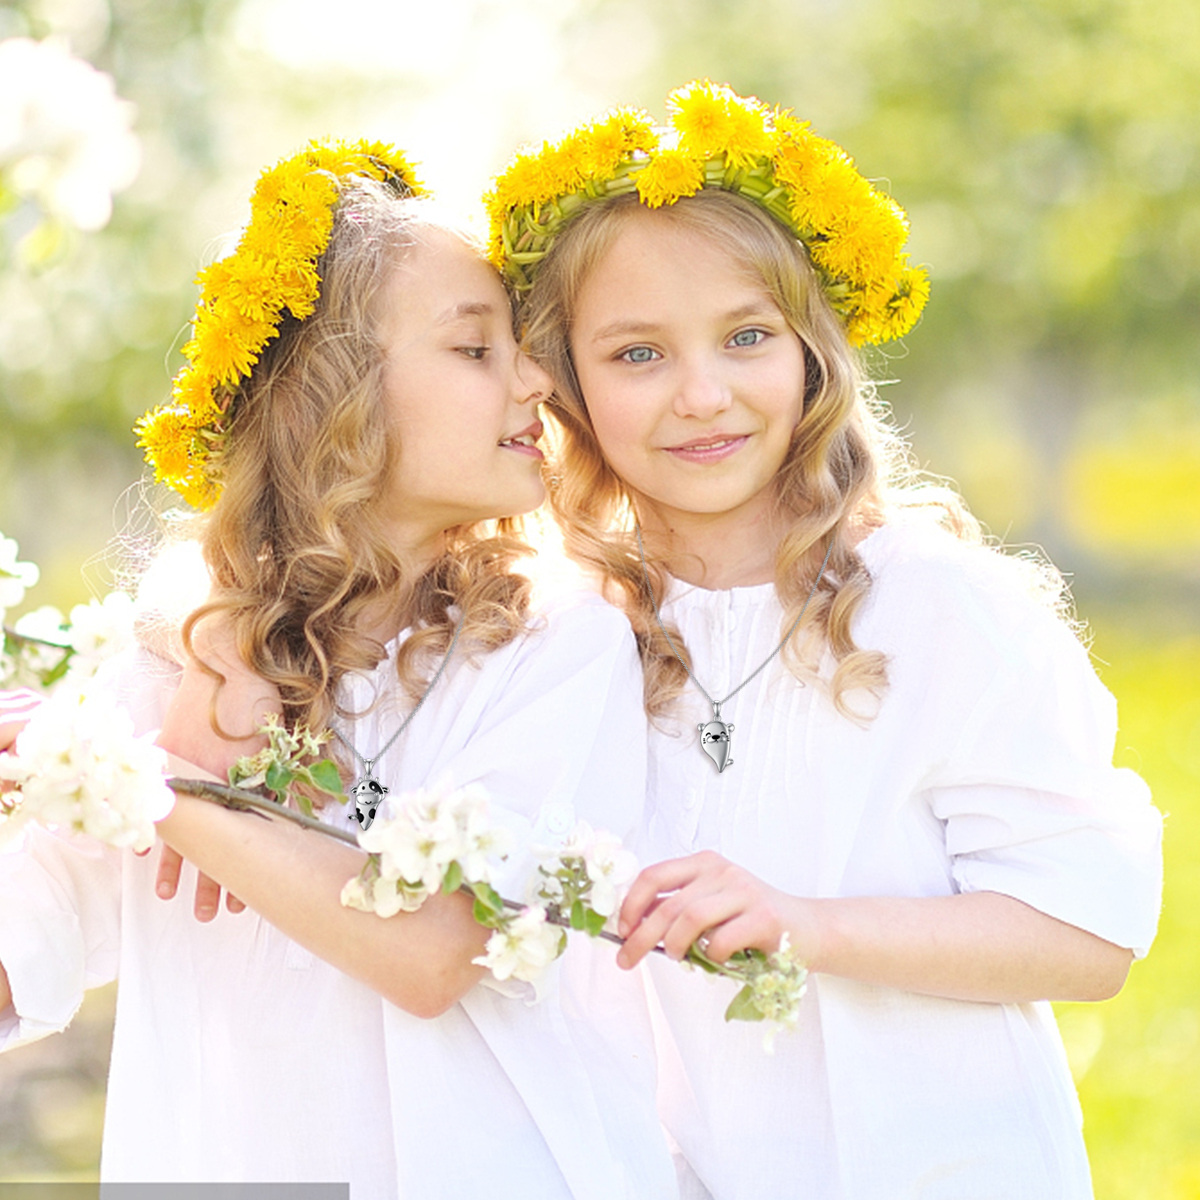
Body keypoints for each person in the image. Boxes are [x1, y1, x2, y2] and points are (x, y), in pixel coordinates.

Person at [486, 83, 1164, 1199]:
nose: (702, 395)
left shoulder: (943, 608)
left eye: (746, 337)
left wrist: (806, 925)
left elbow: (1087, 936)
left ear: (812, 352)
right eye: (638, 355)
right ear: (562, 384)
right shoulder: (566, 636)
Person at [0, 140, 675, 1199]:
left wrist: (147, 788)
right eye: (475, 349)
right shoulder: (177, 654)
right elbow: (28, 937)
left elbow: (434, 952)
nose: (539, 381)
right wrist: (35, 761)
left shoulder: (553, 641)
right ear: (339, 394)